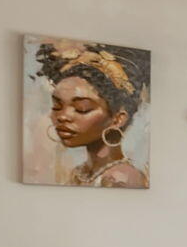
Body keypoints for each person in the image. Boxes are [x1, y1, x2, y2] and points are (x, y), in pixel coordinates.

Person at [34, 40, 150, 188]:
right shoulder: (80, 173)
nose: (62, 116)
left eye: (82, 108)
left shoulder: (120, 179)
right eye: (57, 106)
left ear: (118, 119)